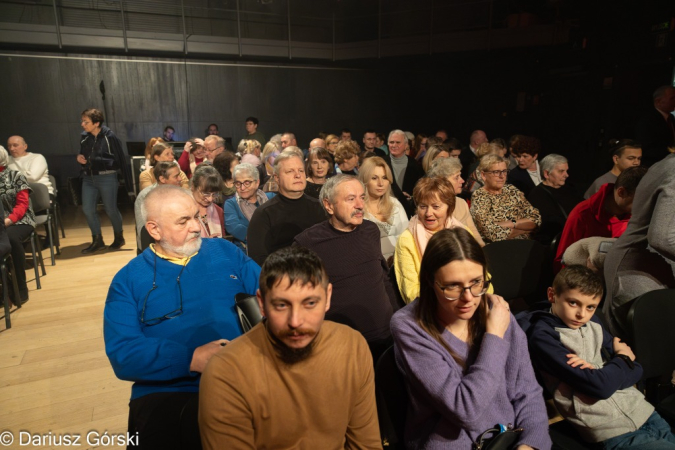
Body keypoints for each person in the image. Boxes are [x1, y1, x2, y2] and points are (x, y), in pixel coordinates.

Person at [104, 185, 260, 450]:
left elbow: (269, 293)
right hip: (169, 392)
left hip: (244, 379)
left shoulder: (225, 251)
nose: (197, 227)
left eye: (196, 217)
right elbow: (124, 353)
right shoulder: (128, 280)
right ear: (154, 230)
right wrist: (191, 359)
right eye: (183, 221)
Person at [198, 246, 381, 450]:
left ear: (328, 297)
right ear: (262, 303)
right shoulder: (226, 373)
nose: (296, 321)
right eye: (282, 306)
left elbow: (366, 444)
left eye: (310, 303)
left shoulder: (351, 346)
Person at [391, 227, 551, 450]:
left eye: (477, 282)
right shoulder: (409, 326)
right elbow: (465, 411)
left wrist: (530, 444)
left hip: (506, 437)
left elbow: (527, 392)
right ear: (430, 281)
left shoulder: (498, 312)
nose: (468, 298)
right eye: (453, 286)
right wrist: (494, 336)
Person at [523, 265, 675, 449]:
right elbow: (601, 387)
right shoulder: (544, 337)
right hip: (610, 429)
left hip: (644, 411)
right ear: (552, 295)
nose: (582, 314)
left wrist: (604, 373)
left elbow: (638, 370)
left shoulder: (592, 322)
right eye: (573, 303)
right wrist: (622, 359)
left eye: (591, 307)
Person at [295, 175, 396, 361]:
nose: (360, 205)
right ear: (329, 205)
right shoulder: (307, 243)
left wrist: (399, 320)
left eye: (362, 197)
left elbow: (383, 278)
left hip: (387, 337)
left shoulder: (370, 230)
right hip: (343, 346)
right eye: (351, 199)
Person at [603, 154, 675, 338]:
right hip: (640, 275)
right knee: (642, 359)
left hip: (641, 269)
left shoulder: (664, 163)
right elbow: (663, 237)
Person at [395, 177, 489, 304]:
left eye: (436, 206)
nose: (428, 213)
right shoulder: (407, 240)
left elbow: (483, 278)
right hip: (432, 308)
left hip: (471, 301)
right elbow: (411, 293)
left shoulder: (463, 231)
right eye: (423, 206)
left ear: (449, 207)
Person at [554, 166, 647, 273]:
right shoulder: (583, 214)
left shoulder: (637, 215)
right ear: (621, 192)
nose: (644, 206)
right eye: (640, 200)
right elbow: (562, 261)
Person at [247, 150, 325, 265]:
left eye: (301, 171)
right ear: (277, 178)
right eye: (290, 171)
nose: (298, 175)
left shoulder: (320, 208)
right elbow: (258, 260)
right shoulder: (264, 214)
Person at [77, 108, 133, 253]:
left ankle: (119, 237)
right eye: (82, 121)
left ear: (96, 123)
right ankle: (98, 240)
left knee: (110, 209)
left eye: (86, 121)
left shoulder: (110, 137)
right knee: (88, 209)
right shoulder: (84, 137)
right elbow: (83, 154)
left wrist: (128, 185)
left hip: (107, 176)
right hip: (89, 177)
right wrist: (79, 157)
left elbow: (120, 158)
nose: (83, 124)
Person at [470, 154, 541, 244]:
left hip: (526, 246)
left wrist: (511, 223)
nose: (502, 176)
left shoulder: (511, 190)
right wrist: (525, 229)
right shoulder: (479, 196)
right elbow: (492, 233)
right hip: (499, 249)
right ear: (484, 175)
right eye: (496, 172)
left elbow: (536, 218)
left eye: (504, 171)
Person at [0, 147, 35, 303]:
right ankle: (5, 285)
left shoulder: (15, 176)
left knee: (12, 239)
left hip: (20, 220)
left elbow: (22, 204)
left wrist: (9, 220)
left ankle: (20, 286)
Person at [359, 156, 408, 260]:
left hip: (398, 263)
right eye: (374, 178)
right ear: (365, 180)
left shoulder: (395, 204)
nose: (380, 183)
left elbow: (406, 236)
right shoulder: (357, 208)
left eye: (384, 178)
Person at [427, 157, 484, 246]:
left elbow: (474, 234)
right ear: (443, 181)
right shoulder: (431, 207)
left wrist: (482, 250)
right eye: (456, 177)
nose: (462, 180)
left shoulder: (461, 203)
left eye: (460, 176)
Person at [527, 154, 582, 245]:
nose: (566, 175)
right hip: (556, 244)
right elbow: (548, 225)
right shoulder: (537, 195)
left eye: (566, 171)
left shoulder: (569, 189)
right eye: (561, 171)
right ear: (546, 173)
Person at [134, 161, 184, 253]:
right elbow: (144, 230)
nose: (180, 179)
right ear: (162, 179)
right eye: (176, 176)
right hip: (153, 249)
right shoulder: (146, 196)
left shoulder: (181, 194)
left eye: (179, 175)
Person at [224, 163, 274, 251]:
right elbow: (234, 227)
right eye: (238, 183)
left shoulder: (271, 198)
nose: (242, 188)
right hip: (246, 252)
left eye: (247, 183)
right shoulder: (231, 204)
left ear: (257, 182)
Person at [379, 129, 425, 218]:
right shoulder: (380, 162)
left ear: (406, 145)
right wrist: (397, 194)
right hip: (385, 209)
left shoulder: (414, 165)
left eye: (398, 142)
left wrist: (410, 197)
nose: (394, 145)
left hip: (408, 210)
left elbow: (419, 188)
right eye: (391, 142)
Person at [635, 85, 675, 167]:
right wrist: (671, 151)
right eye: (672, 98)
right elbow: (647, 148)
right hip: (653, 166)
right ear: (658, 101)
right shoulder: (648, 120)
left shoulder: (671, 118)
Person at [190, 165, 226, 239]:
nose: (210, 199)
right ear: (193, 187)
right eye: (206, 193)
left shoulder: (218, 211)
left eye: (215, 194)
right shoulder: (183, 210)